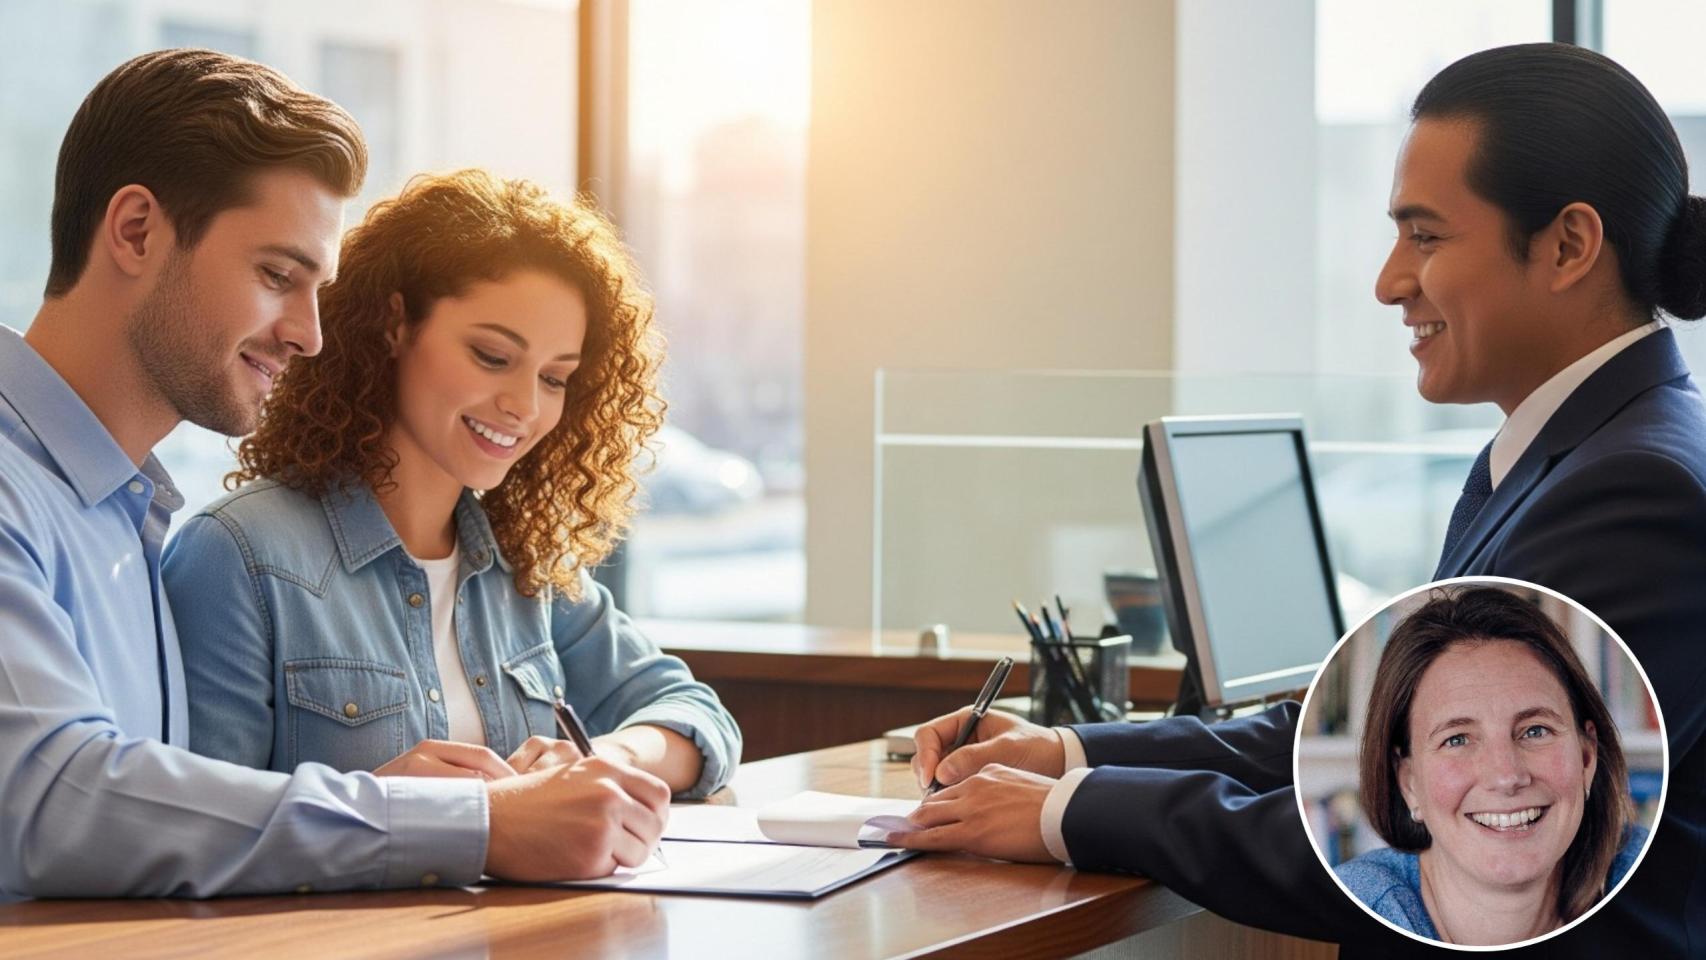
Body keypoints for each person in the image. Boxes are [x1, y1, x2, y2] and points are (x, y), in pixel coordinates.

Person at [899, 43, 1706, 957]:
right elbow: (1359, 735)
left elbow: (1398, 839)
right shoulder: (1574, 455)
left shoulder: (1637, 491)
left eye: (1426, 235)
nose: (1389, 280)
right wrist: (1073, 753)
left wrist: (1067, 813)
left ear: (1568, 246)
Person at [0, 48, 670, 899]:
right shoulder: (28, 496)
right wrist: (476, 822)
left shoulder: (123, 514)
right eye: (277, 275)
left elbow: (169, 837)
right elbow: (50, 799)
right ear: (135, 231)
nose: (311, 336)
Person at [161, 169, 740, 797]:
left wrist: (597, 757)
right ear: (394, 325)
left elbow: (697, 717)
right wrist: (381, 808)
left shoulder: (524, 566)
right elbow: (203, 824)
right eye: (493, 357)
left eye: (554, 378)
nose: (524, 405)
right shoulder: (239, 555)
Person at [1335, 587, 1643, 945]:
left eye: (1535, 730)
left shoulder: (1661, 879)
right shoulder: (1345, 920)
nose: (1506, 776)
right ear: (1409, 783)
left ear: (1587, 757)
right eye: (1457, 739)